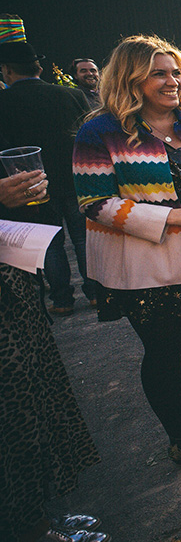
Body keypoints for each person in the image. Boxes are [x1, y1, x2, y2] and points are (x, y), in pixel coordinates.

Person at [73, 36, 181, 466]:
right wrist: (171, 217)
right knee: (165, 350)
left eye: (175, 73)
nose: (172, 82)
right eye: (158, 73)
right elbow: (93, 203)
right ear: (131, 78)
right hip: (146, 266)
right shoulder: (100, 131)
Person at [1, 169, 110, 542]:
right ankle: (30, 534)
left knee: (33, 398)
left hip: (11, 285)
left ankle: (32, 516)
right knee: (15, 417)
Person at [0, 17, 98, 317]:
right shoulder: (69, 94)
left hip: (31, 184)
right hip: (74, 180)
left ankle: (62, 299)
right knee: (83, 239)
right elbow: (90, 135)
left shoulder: (4, 102)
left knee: (51, 243)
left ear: (6, 71)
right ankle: (95, 293)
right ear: (39, 68)